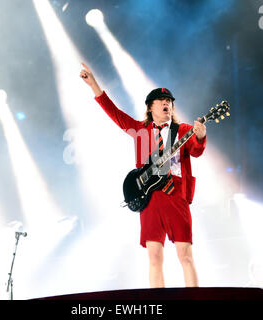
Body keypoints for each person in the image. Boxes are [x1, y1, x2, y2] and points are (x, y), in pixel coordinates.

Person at [80, 62, 207, 288]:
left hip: (176, 192)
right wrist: (94, 85)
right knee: (154, 257)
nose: (167, 103)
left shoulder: (184, 130)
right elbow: (115, 114)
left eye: (169, 101)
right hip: (149, 197)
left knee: (185, 254)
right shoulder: (141, 131)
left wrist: (200, 136)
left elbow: (196, 151)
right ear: (150, 107)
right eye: (162, 101)